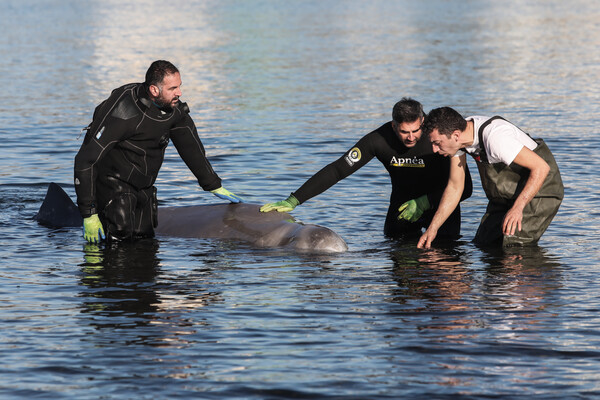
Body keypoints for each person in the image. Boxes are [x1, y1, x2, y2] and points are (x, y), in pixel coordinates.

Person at [74, 60, 243, 243]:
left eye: (179, 86)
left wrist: (211, 183)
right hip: (112, 187)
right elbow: (85, 161)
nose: (179, 93)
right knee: (118, 247)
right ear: (154, 90)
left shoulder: (173, 110)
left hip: (144, 188)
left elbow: (190, 147)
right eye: (172, 88)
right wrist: (88, 213)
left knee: (146, 245)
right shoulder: (123, 111)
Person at [260, 98, 472, 241]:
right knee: (399, 266)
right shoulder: (378, 140)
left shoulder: (439, 140)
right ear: (393, 126)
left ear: (423, 122)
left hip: (442, 205)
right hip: (401, 208)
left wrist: (425, 202)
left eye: (416, 131)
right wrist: (295, 200)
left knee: (445, 262)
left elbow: (467, 188)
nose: (411, 137)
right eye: (404, 131)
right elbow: (338, 170)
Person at [418, 107, 564, 249]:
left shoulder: (496, 138)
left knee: (513, 246)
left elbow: (541, 167)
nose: (434, 150)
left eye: (437, 143)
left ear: (456, 135)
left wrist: (517, 208)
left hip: (540, 190)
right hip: (506, 195)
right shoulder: (460, 140)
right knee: (484, 244)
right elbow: (455, 187)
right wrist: (433, 229)